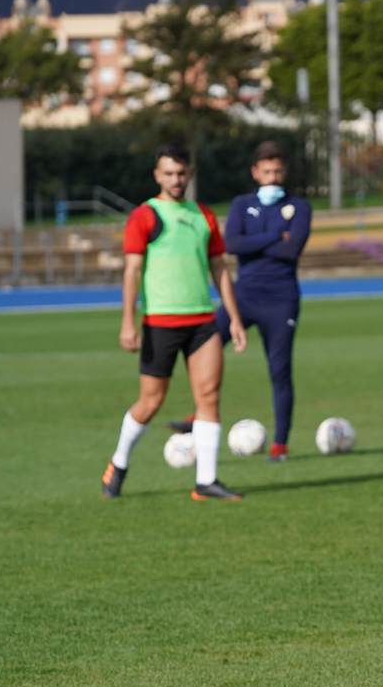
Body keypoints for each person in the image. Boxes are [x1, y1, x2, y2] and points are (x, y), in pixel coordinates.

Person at [102, 142, 247, 501]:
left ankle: (206, 481)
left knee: (209, 396)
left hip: (202, 321)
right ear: (157, 175)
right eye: (169, 173)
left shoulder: (205, 216)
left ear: (190, 173)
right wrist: (128, 321)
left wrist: (234, 319)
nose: (176, 179)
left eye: (181, 173)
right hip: (160, 323)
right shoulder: (144, 216)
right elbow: (132, 271)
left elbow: (219, 268)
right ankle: (118, 464)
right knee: (151, 402)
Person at [212, 140, 311, 461]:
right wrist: (274, 236)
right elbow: (232, 244)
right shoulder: (241, 204)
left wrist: (256, 243)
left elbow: (291, 250)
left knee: (279, 371)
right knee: (205, 346)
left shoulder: (300, 206)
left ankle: (280, 444)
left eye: (278, 171)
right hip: (243, 295)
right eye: (267, 171)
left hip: (281, 299)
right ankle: (198, 415)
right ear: (255, 173)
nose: (273, 178)